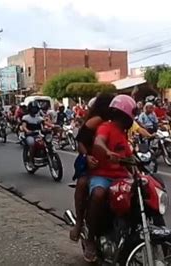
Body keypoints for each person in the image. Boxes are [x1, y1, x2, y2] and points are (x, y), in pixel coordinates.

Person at [84, 95, 136, 262]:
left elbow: (129, 159)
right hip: (102, 176)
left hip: (121, 177)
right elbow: (99, 141)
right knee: (98, 194)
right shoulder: (105, 127)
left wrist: (138, 172)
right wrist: (107, 152)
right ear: (125, 114)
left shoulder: (123, 135)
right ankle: (90, 239)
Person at [69, 93, 115, 244]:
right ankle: (79, 223)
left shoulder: (118, 122)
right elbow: (80, 141)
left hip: (111, 162)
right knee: (82, 183)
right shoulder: (96, 121)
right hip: (91, 160)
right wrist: (87, 157)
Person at [20, 101, 44, 169]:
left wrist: (52, 126)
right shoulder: (26, 117)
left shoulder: (39, 118)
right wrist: (27, 131)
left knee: (47, 141)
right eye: (33, 108)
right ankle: (30, 161)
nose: (35, 110)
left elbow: (44, 124)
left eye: (36, 108)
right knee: (32, 144)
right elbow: (24, 126)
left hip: (38, 135)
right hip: (30, 135)